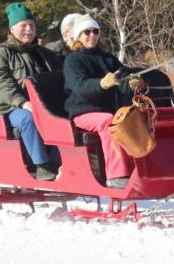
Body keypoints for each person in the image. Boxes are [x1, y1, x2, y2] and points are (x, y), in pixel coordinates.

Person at [61, 13, 144, 188]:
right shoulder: (72, 60)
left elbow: (122, 75)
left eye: (95, 31)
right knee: (107, 121)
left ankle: (141, 168)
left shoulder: (106, 58)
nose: (92, 35)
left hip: (108, 109)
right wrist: (101, 84)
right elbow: (80, 87)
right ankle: (116, 175)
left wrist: (131, 83)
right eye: (87, 32)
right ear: (77, 36)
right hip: (83, 112)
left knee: (134, 115)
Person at [0, 2, 61, 181]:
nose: (28, 29)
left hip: (39, 104)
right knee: (28, 118)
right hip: (6, 107)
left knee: (65, 113)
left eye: (31, 25)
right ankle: (42, 165)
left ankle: (59, 160)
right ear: (12, 28)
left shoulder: (43, 53)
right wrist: (22, 102)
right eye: (23, 25)